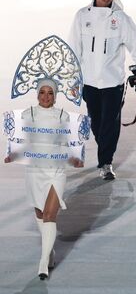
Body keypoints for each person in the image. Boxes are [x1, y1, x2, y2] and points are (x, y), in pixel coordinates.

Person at [68, 0, 136, 180]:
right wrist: (72, 79)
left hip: (113, 81)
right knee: (96, 122)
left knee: (110, 123)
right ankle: (104, 150)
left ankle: (105, 162)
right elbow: (73, 49)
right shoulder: (81, 16)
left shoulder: (121, 19)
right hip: (89, 80)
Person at [4, 79, 83, 280]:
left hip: (56, 170)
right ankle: (50, 253)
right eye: (42, 92)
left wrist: (75, 158)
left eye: (50, 93)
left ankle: (42, 263)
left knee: (50, 214)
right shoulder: (26, 114)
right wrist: (12, 155)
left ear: (55, 95)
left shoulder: (63, 116)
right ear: (37, 94)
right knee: (40, 212)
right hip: (34, 170)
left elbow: (71, 141)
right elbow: (20, 141)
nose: (45, 97)